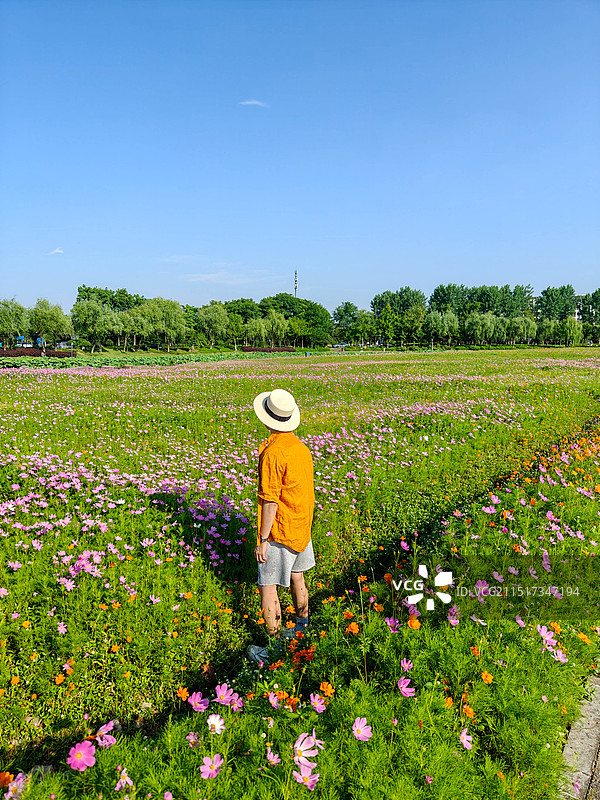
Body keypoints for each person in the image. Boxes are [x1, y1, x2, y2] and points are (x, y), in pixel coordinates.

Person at [247, 388, 315, 665]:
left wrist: (263, 538)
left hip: (280, 529)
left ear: (267, 419)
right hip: (302, 526)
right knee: (298, 577)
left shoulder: (273, 452)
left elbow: (270, 500)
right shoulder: (300, 447)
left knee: (269, 588)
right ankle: (302, 629)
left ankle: (274, 651)